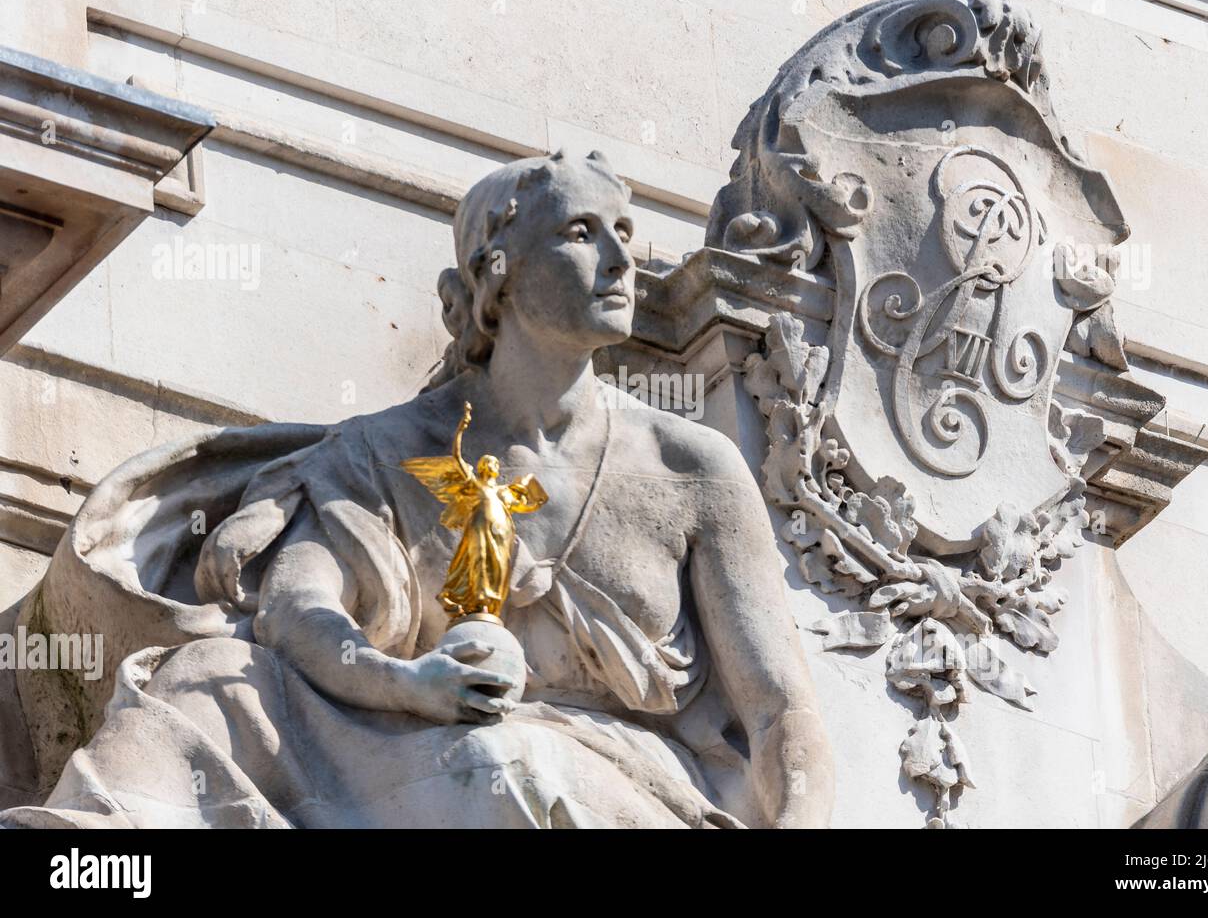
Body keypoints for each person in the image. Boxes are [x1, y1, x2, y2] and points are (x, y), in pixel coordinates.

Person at [3, 149, 833, 828]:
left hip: (600, 776)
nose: (622, 261)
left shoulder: (692, 468)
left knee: (503, 765)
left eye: (624, 231)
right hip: (401, 723)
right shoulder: (383, 450)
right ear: (494, 280)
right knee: (205, 677)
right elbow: (298, 606)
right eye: (582, 233)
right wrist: (408, 683)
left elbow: (778, 710)